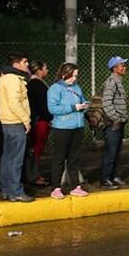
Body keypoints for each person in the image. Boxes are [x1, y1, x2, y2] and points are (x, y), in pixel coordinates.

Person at [47, 63, 90, 199]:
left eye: (76, 76)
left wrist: (85, 106)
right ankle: (56, 187)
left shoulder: (76, 88)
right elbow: (53, 108)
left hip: (77, 127)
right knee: (59, 158)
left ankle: (75, 186)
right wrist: (73, 107)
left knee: (74, 158)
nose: (74, 79)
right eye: (72, 76)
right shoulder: (55, 89)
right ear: (64, 74)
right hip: (62, 128)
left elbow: (83, 101)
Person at [0, 51, 33, 202]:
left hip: (8, 122)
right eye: (25, 62)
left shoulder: (5, 78)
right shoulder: (13, 79)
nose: (28, 65)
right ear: (16, 64)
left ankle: (7, 190)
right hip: (15, 122)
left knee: (8, 157)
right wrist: (26, 120)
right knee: (16, 159)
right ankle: (16, 191)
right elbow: (14, 102)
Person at [101, 56, 129, 189]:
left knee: (116, 151)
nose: (124, 67)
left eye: (124, 65)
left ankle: (113, 176)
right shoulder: (111, 81)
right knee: (111, 152)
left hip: (119, 121)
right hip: (114, 123)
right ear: (114, 68)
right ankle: (106, 179)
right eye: (121, 65)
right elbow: (106, 103)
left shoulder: (118, 81)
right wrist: (116, 118)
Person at [26, 60, 52, 186]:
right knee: (37, 148)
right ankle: (34, 175)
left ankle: (33, 174)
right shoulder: (38, 84)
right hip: (40, 121)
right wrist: (49, 118)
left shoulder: (32, 83)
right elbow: (43, 105)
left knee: (35, 148)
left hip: (36, 120)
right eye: (46, 68)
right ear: (39, 70)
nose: (47, 71)